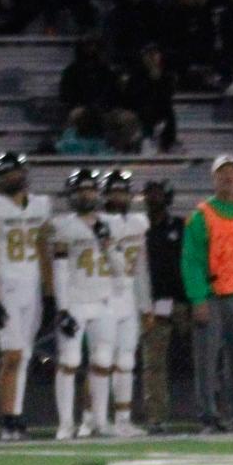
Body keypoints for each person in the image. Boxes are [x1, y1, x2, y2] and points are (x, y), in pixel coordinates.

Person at [182, 153, 233, 430]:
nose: (228, 177)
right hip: (213, 293)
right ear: (214, 178)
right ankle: (208, 414)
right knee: (207, 359)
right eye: (223, 173)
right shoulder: (200, 215)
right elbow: (191, 261)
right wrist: (198, 297)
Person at [0, 152, 52, 441]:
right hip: (7, 287)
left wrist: (50, 292)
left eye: (14, 172)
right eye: (5, 174)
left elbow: (44, 249)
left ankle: (17, 415)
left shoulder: (41, 205)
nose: (10, 178)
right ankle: (7, 417)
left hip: (31, 287)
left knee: (26, 353)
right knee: (13, 354)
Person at [49, 167, 121, 438]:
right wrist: (63, 308)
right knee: (69, 360)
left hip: (103, 300)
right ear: (71, 194)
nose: (86, 194)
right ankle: (66, 423)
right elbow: (59, 269)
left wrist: (107, 243)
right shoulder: (64, 226)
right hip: (76, 301)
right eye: (80, 190)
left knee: (103, 361)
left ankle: (100, 420)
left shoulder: (109, 224)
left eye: (90, 189)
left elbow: (119, 266)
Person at [100, 169, 152, 436]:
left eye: (123, 191)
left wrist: (146, 304)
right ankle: (95, 418)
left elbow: (140, 266)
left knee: (127, 361)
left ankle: (122, 418)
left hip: (129, 296)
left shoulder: (138, 222)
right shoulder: (98, 221)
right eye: (115, 191)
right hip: (104, 295)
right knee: (102, 360)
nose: (119, 196)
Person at [140, 179, 189, 431]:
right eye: (150, 195)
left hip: (183, 302)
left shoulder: (180, 226)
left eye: (157, 194)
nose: (153, 199)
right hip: (154, 303)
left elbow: (192, 262)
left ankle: (209, 412)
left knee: (204, 359)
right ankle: (156, 417)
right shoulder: (138, 228)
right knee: (154, 363)